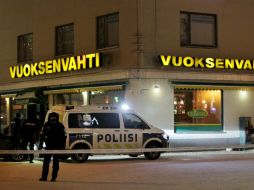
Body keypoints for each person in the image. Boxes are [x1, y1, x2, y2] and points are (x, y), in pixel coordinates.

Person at [39, 112, 66, 182]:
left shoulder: (60, 125)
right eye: (52, 117)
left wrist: (62, 148)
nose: (53, 118)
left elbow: (64, 137)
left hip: (57, 147)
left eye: (54, 117)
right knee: (46, 163)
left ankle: (54, 177)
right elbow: (42, 135)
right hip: (48, 147)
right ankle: (44, 177)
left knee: (55, 163)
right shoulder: (46, 124)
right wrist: (40, 145)